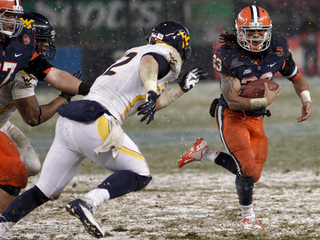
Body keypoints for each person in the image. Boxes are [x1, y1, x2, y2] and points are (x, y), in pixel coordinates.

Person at [0, 20, 207, 238]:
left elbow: (147, 103)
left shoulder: (137, 53)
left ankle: (2, 226)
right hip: (95, 121)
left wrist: (180, 89)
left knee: (44, 190)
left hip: (70, 121)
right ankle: (88, 202)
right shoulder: (162, 53)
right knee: (140, 173)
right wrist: (151, 90)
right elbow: (150, 62)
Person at [177, 5, 312, 230]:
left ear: (269, 31)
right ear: (240, 32)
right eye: (251, 32)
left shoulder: (278, 48)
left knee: (253, 175)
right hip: (231, 115)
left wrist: (306, 99)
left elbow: (297, 78)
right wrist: (264, 101)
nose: (257, 36)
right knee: (246, 169)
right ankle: (248, 217)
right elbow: (231, 99)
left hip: (256, 118)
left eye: (261, 32)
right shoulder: (228, 54)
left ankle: (206, 153)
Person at [0, 2, 91, 214]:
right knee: (15, 173)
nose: (14, 23)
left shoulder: (19, 49)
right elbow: (33, 117)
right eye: (8, 16)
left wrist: (91, 88)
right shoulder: (20, 68)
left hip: (3, 121)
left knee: (25, 170)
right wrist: (64, 98)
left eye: (16, 17)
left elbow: (54, 74)